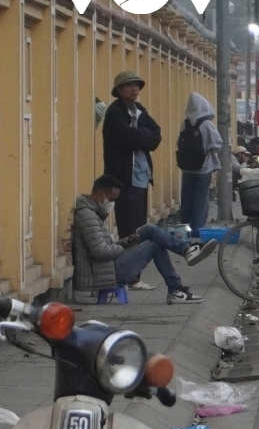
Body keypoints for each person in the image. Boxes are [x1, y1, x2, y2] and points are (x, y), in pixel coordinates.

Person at [73, 175, 216, 304]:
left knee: (149, 229)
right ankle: (177, 283)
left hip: (107, 267)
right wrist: (122, 247)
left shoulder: (94, 212)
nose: (112, 203)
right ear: (100, 194)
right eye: (112, 199)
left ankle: (186, 253)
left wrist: (122, 243)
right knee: (154, 245)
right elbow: (99, 251)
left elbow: (103, 246)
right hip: (102, 274)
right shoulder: (87, 215)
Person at [103, 71, 162, 239]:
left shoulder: (140, 110)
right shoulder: (115, 113)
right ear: (120, 89)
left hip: (141, 175)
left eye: (136, 85)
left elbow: (156, 135)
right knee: (128, 223)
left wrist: (140, 134)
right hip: (124, 177)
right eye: (129, 85)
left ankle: (137, 255)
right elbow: (128, 138)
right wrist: (143, 135)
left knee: (140, 222)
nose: (134, 89)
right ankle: (129, 258)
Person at [177, 92, 222, 234]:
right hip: (203, 168)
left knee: (186, 198)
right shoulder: (206, 124)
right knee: (200, 199)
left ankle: (185, 228)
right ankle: (197, 229)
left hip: (187, 168)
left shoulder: (184, 124)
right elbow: (217, 143)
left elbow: (179, 143)